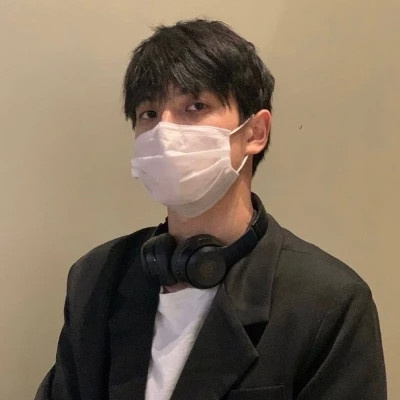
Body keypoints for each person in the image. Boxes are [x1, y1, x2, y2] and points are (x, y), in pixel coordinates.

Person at [35, 18, 387, 400]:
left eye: (195, 106)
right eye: (149, 113)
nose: (165, 133)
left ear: (255, 132)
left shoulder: (328, 303)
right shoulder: (95, 279)